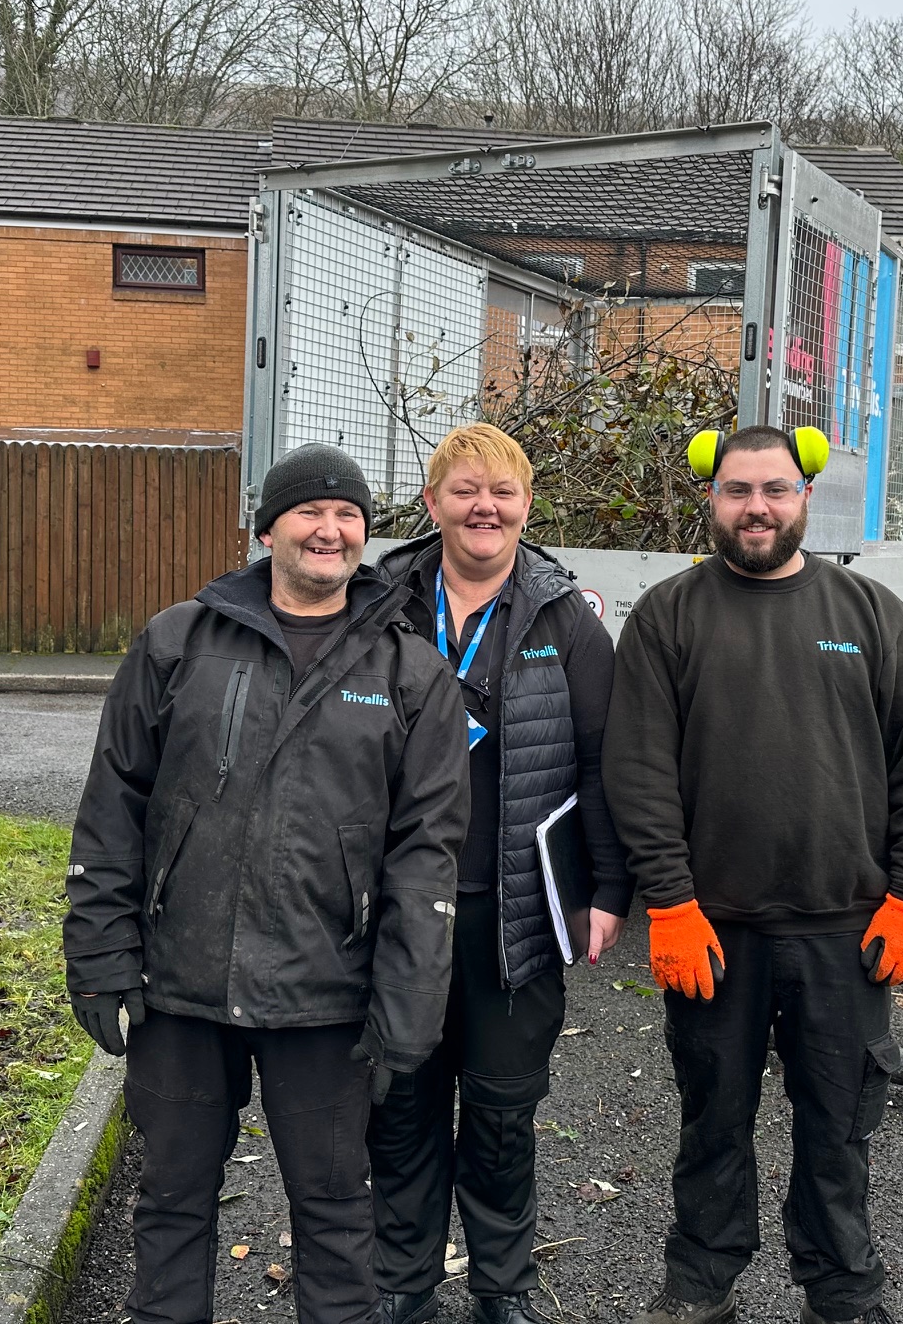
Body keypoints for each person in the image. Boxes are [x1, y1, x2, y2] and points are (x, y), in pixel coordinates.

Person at [63, 443, 470, 1324]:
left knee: (333, 1212)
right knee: (170, 1202)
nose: (330, 530)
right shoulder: (178, 641)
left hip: (325, 999)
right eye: (310, 512)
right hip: (182, 987)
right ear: (267, 528)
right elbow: (113, 809)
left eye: (348, 517)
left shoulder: (412, 674)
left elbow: (425, 856)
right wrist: (99, 956)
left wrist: (409, 1006)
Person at [604, 424, 903, 1324]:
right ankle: (699, 1282)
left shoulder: (874, 617)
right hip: (712, 931)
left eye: (773, 490)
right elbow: (638, 772)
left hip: (845, 930)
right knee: (711, 1119)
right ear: (711, 498)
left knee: (839, 1128)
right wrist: (671, 906)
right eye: (736, 491)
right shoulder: (668, 617)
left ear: (805, 497)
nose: (755, 507)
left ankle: (841, 1290)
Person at [371, 423, 633, 1324]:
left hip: (511, 913)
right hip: (399, 909)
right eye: (466, 489)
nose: (485, 508)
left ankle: (503, 1287)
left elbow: (603, 762)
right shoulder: (382, 605)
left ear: (526, 507)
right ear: (434, 501)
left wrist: (607, 892)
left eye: (504, 492)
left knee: (499, 1115)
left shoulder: (566, 619)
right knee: (399, 1104)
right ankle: (404, 1285)